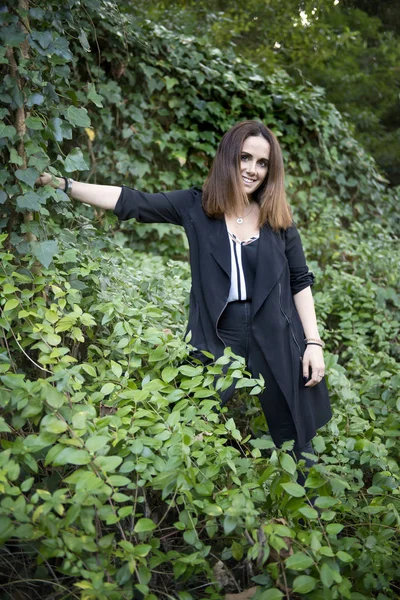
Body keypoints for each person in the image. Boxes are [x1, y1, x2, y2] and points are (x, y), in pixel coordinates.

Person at [37, 120, 332, 485]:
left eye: (262, 163)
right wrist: (64, 185)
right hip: (218, 334)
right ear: (228, 157)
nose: (252, 170)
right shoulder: (197, 206)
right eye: (244, 158)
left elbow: (300, 282)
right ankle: (177, 507)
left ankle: (307, 518)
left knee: (295, 438)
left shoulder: (278, 219)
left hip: (275, 332)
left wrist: (314, 343)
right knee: (189, 421)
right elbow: (133, 201)